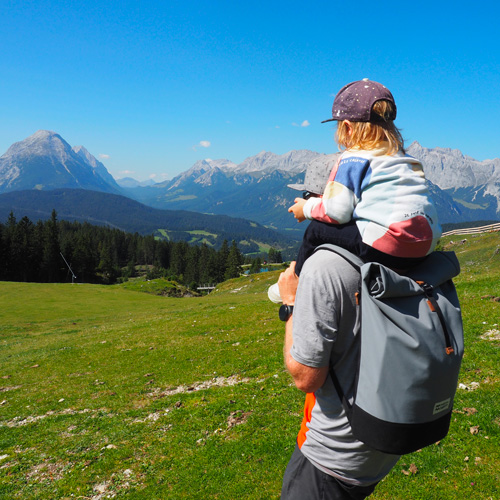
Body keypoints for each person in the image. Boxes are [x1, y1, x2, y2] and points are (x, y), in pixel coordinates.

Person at [277, 254, 400, 499]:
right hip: (388, 435)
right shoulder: (397, 255)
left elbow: (305, 378)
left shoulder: (324, 266)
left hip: (333, 454)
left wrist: (290, 303)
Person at [288, 79, 441, 276]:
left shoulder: (353, 159)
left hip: (390, 249)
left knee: (316, 229)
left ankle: (297, 279)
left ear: (347, 127)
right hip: (425, 248)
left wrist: (305, 209)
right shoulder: (405, 159)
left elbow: (337, 212)